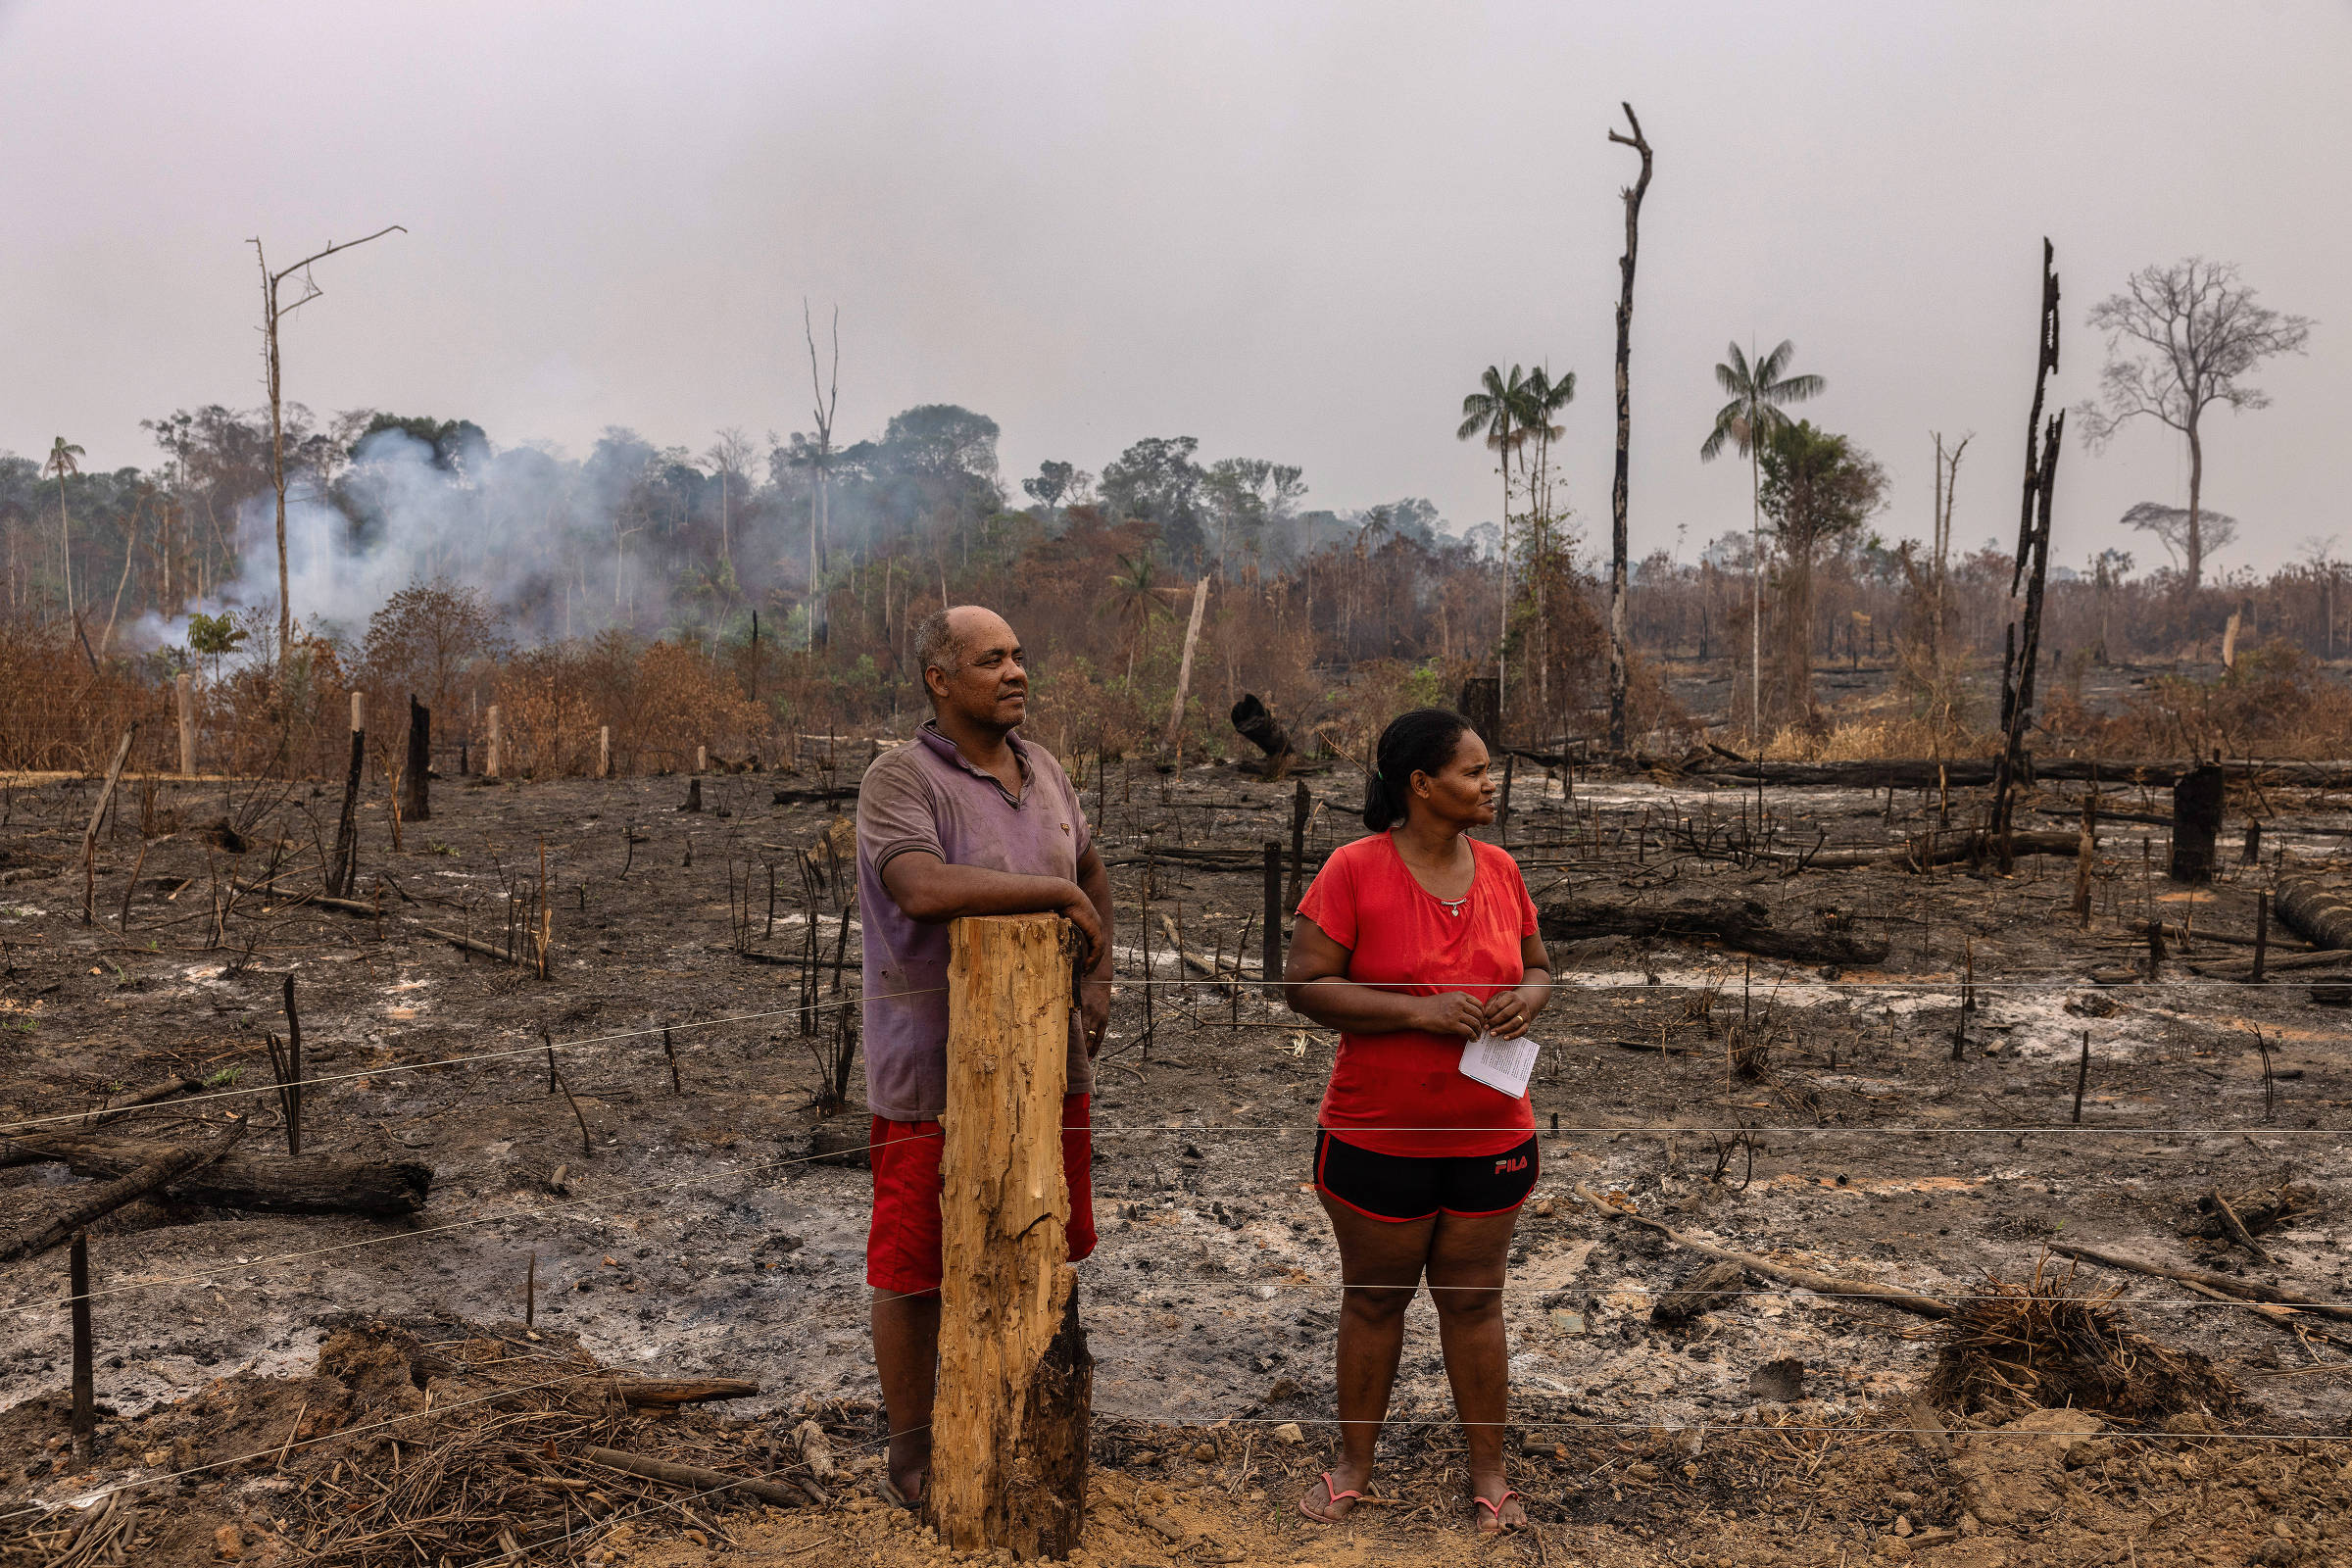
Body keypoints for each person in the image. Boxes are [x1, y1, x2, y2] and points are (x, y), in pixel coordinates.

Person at [854, 605, 1114, 1507]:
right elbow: (921, 888)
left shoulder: (1046, 772)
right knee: (916, 1266)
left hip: (1048, 1064)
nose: (1015, 672)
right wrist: (1050, 893)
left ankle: (1016, 1426)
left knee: (1045, 1240)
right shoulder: (900, 781)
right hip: (932, 1071)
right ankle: (913, 1454)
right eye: (990, 659)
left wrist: (1099, 978)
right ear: (939, 679)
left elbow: (1090, 868)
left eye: (1019, 654)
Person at [1282, 707, 1552, 1534]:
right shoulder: (1354, 869)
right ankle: (1353, 1467)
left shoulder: (1501, 871)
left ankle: (1491, 1477)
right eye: (1473, 772)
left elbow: (1540, 967)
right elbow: (1304, 985)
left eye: (1487, 770)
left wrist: (1526, 1000)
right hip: (1375, 1139)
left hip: (1494, 1135)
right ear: (1421, 785)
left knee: (1474, 1304)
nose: (1488, 783)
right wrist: (1416, 1014)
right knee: (1374, 1301)